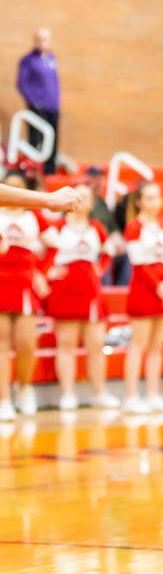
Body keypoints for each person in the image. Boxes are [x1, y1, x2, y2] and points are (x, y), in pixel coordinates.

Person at [43, 182, 120, 411]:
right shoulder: (56, 227)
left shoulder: (97, 227)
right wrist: (49, 271)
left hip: (91, 291)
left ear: (92, 202)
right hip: (65, 290)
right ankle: (67, 394)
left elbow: (107, 255)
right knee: (65, 344)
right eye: (78, 195)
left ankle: (99, 393)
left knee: (96, 344)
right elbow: (42, 254)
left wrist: (99, 268)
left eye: (86, 196)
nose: (81, 199)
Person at [0, 170, 56, 420]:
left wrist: (41, 272)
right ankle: (3, 399)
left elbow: (54, 245)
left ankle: (24, 387)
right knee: (0, 344)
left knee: (26, 343)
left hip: (24, 282)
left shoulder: (34, 217)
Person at [122, 182, 163, 415]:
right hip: (144, 289)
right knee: (139, 344)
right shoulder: (134, 227)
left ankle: (153, 395)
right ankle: (131, 397)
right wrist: (159, 287)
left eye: (158, 197)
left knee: (157, 345)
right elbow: (140, 264)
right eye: (150, 198)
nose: (156, 202)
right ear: (139, 202)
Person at [16, 28, 61, 175]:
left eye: (46, 39)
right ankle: (31, 172)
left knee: (53, 138)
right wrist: (34, 102)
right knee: (36, 139)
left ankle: (50, 172)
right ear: (35, 41)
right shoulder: (28, 60)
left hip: (53, 106)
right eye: (40, 39)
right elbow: (22, 83)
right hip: (37, 107)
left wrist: (56, 100)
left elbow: (55, 82)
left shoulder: (51, 59)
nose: (43, 42)